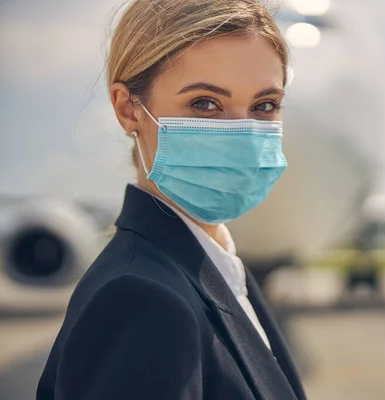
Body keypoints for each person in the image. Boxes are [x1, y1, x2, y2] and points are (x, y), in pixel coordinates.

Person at [37, 0, 306, 399]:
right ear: (129, 109)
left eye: (264, 105)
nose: (243, 132)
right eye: (205, 103)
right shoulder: (139, 301)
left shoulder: (220, 274)